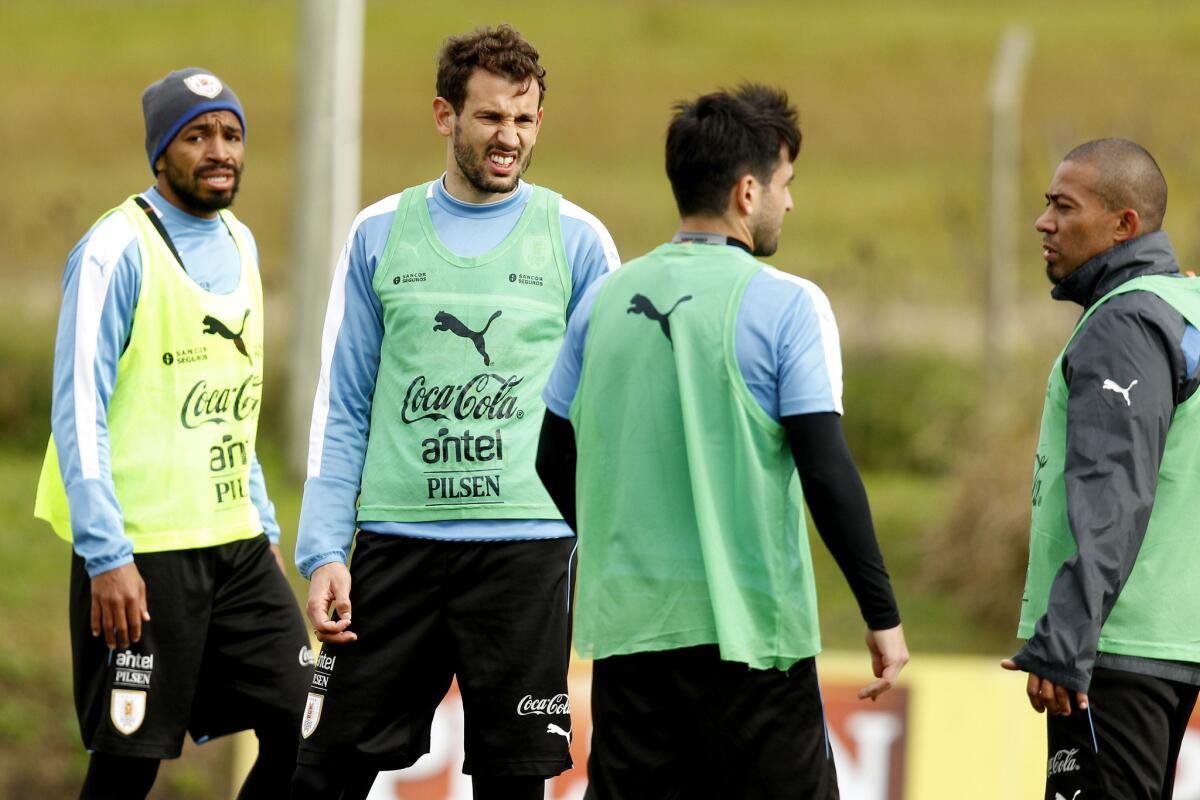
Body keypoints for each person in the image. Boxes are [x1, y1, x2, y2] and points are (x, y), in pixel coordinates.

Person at [535, 83, 909, 799]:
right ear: (746, 192)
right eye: (784, 184)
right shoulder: (789, 306)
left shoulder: (603, 300)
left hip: (631, 640)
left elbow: (551, 457)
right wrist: (881, 615)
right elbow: (826, 469)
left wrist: (616, 538)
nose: (789, 203)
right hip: (753, 642)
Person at [291, 24, 620, 800]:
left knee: (513, 786)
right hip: (393, 549)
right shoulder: (378, 233)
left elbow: (613, 417)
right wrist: (325, 550)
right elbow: (342, 405)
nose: (509, 138)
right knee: (320, 776)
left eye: (525, 119)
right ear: (445, 115)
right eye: (490, 118)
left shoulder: (578, 241)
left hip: (527, 557)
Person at [33, 67, 310, 799]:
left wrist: (265, 526)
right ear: (160, 153)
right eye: (197, 136)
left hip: (237, 547)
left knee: (314, 720)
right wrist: (106, 556)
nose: (219, 150)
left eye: (231, 134)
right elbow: (77, 412)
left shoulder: (243, 244)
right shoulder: (112, 250)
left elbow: (233, 402)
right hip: (141, 557)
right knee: (130, 764)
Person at [1002, 138, 1200, 799]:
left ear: (1125, 225)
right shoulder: (1184, 309)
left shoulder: (1126, 322)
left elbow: (1115, 491)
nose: (1044, 221)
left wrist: (1064, 640)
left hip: (1118, 646)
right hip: (1172, 642)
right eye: (1045, 204)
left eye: (1064, 205)